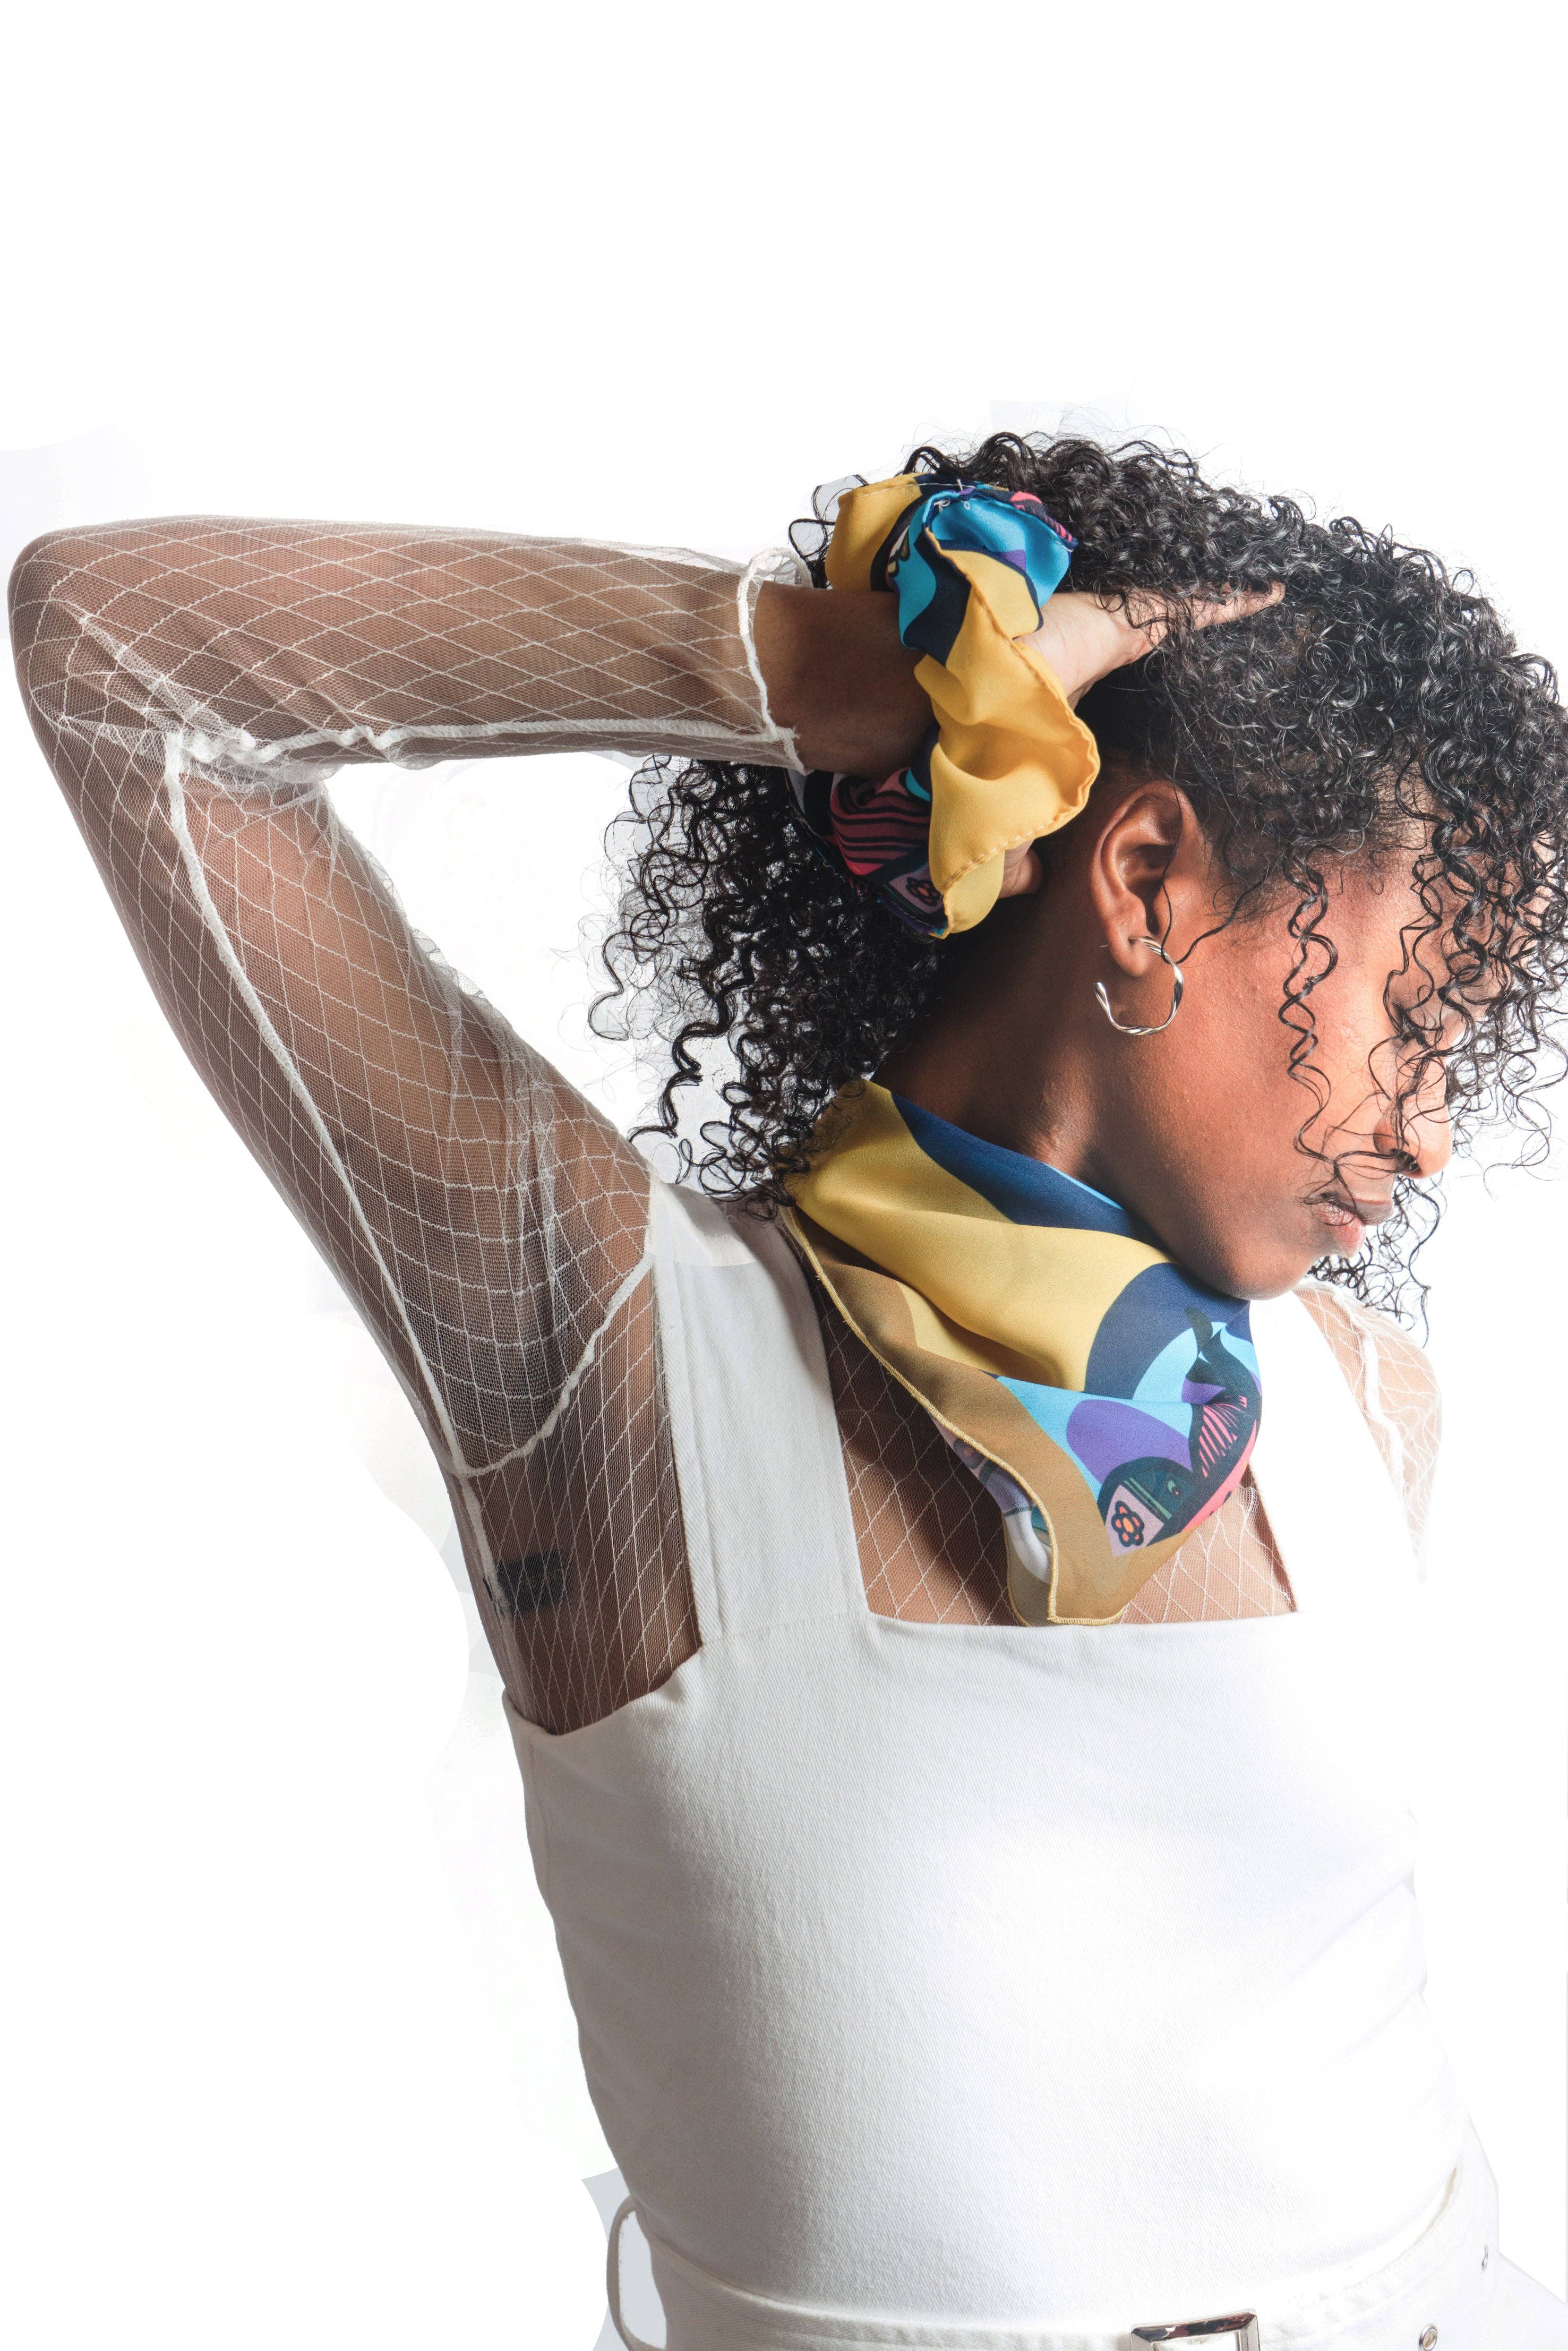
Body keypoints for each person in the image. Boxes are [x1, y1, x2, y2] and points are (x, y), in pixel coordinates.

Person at [10, 433, 1566, 2349]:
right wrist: (808, 678)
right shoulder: (612, 1353)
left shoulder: (1362, 1403)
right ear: (1149, 880)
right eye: (1417, 1013)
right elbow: (117, 654)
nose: (1430, 1126)